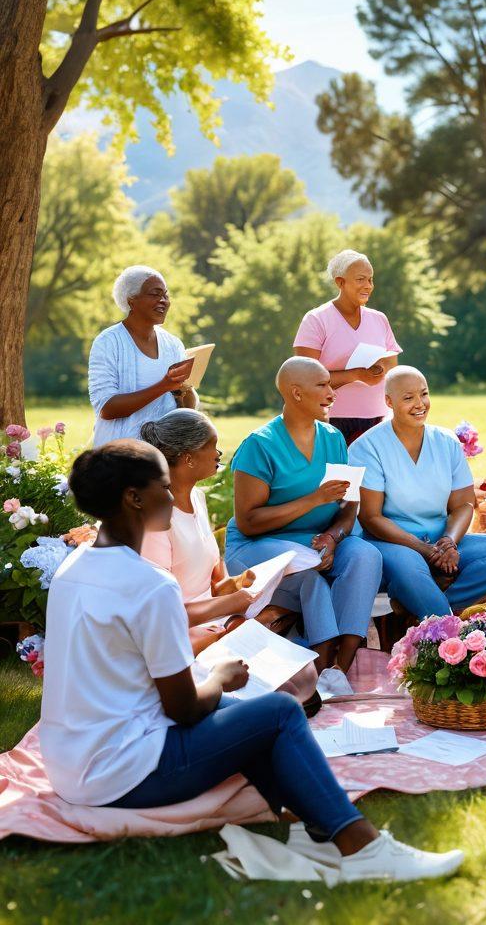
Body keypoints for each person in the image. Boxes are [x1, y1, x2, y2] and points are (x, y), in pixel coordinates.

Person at [39, 441, 463, 883]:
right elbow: (183, 708)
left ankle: (312, 830)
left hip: (71, 761)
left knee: (253, 715)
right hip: (123, 773)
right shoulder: (150, 584)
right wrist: (221, 677)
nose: (171, 497)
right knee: (279, 711)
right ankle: (363, 849)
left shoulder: (75, 569)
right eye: (163, 488)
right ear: (133, 498)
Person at [224, 357, 382, 694]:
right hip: (260, 543)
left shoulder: (333, 437)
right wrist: (313, 500)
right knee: (309, 570)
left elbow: (348, 502)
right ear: (296, 393)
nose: (332, 392)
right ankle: (319, 662)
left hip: (317, 539)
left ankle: (340, 667)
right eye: (323, 385)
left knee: (366, 556)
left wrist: (335, 536)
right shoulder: (260, 444)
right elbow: (249, 522)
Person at [349, 367, 486, 619]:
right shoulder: (368, 447)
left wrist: (449, 540)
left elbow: (463, 504)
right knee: (413, 567)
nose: (420, 404)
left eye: (424, 394)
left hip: (440, 539)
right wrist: (423, 549)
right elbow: (371, 517)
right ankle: (446, 630)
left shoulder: (447, 442)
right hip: (391, 544)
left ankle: (419, 607)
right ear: (389, 401)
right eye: (408, 398)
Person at [140, 409, 310, 652]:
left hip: (214, 623)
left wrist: (241, 582)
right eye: (212, 445)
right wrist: (235, 604)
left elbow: (211, 586)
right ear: (188, 458)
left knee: (298, 662)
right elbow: (161, 613)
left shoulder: (197, 498)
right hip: (176, 636)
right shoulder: (154, 519)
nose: (218, 453)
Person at [293, 250, 401, 446]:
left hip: (379, 420)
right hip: (330, 422)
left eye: (370, 279)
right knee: (339, 476)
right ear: (340, 282)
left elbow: (392, 368)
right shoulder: (316, 319)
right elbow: (302, 379)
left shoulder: (379, 319)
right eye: (361, 279)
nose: (368, 286)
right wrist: (356, 375)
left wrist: (378, 369)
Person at [88, 265, 197, 447]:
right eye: (155, 294)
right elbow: (107, 408)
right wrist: (164, 386)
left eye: (166, 295)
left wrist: (183, 390)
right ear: (132, 300)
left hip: (163, 458)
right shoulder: (108, 342)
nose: (163, 300)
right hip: (119, 456)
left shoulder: (173, 344)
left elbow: (187, 407)